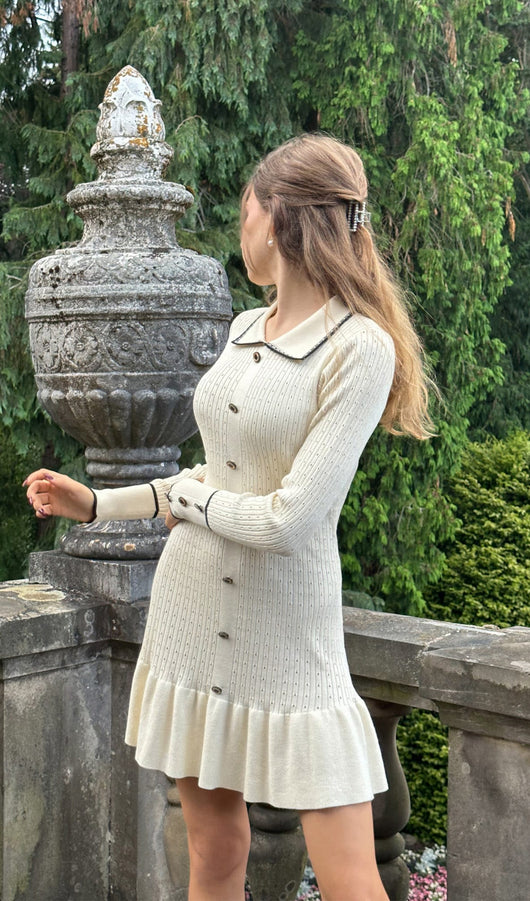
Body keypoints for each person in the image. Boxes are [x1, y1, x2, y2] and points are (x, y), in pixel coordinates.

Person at [24, 134, 433, 901]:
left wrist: (189, 503)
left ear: (278, 218)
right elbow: (212, 475)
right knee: (212, 850)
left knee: (351, 878)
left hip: (289, 636)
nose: (241, 229)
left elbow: (291, 519)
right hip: (190, 615)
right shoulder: (244, 329)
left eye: (246, 211)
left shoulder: (359, 348)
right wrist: (100, 503)